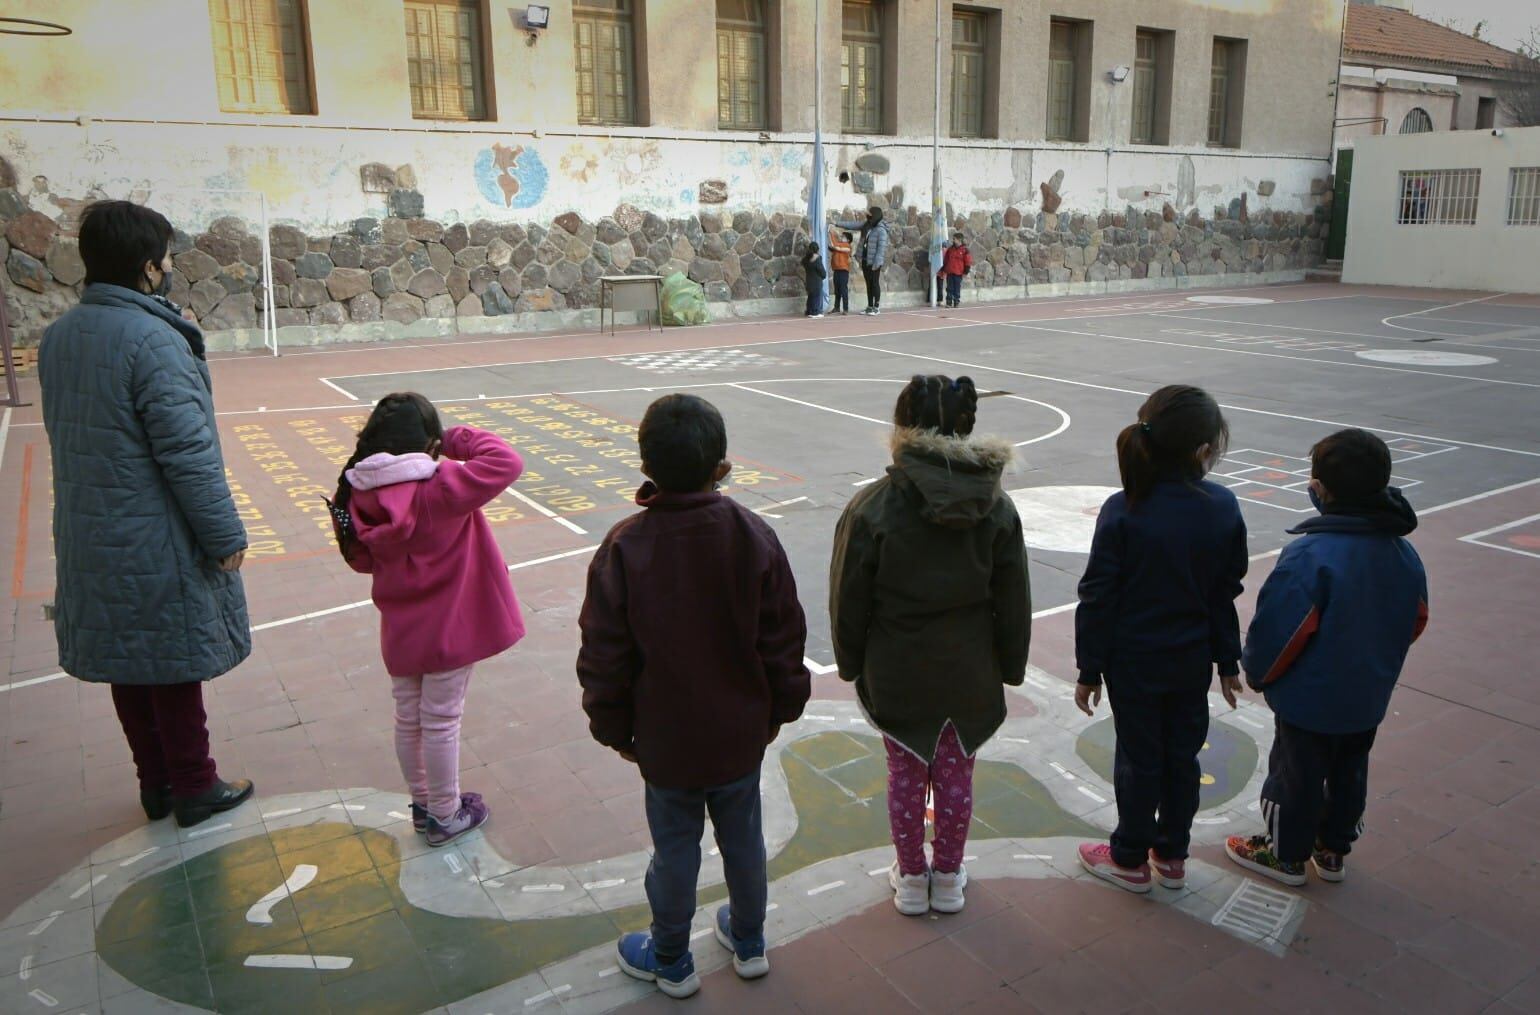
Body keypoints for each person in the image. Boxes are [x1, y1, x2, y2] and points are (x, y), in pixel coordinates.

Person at [578, 394, 810, 1000]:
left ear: (645, 465)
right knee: (743, 839)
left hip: (665, 738)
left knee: (675, 845)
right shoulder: (752, 534)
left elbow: (605, 652)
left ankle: (671, 956)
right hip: (739, 733)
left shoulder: (625, 547)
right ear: (722, 467)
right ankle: (750, 938)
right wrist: (780, 707)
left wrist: (613, 728)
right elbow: (784, 635)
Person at [38, 200, 254, 829]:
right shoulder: (153, 340)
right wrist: (224, 535)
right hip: (151, 531)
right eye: (165, 256)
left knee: (128, 662)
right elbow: (187, 453)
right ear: (150, 266)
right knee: (170, 660)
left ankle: (156, 785)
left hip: (89, 527)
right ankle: (195, 786)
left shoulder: (60, 335)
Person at [830, 375, 1031, 916]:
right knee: (956, 775)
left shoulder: (873, 506)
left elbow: (849, 595)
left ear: (902, 427)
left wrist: (850, 661)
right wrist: (1010, 666)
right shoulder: (998, 508)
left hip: (898, 669)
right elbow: (1013, 598)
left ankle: (912, 879)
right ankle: (948, 875)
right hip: (969, 669)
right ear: (968, 426)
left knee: (904, 774)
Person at [1226, 429, 1427, 886]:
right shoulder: (1403, 552)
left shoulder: (1310, 556)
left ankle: (1285, 854)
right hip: (1368, 694)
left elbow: (1281, 630)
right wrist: (1376, 657)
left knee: (1295, 776)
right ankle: (1333, 849)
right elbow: (1416, 617)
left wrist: (1257, 672)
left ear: (1321, 489)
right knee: (1350, 771)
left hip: (1309, 700)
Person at [1074, 385, 1248, 894]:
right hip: (1190, 658)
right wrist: (1227, 661)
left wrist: (1089, 668)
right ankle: (1171, 854)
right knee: (1182, 755)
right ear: (1203, 451)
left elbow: (1098, 596)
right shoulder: (1221, 506)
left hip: (1134, 661)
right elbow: (1224, 592)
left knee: (1139, 757)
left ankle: (1128, 857)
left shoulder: (1124, 508)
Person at [331, 393, 526, 847]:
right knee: (441, 720)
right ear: (429, 444)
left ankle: (423, 804)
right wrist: (453, 440)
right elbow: (506, 461)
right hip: (451, 627)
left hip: (401, 627)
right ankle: (445, 813)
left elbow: (361, 561)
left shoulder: (357, 492)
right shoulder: (441, 485)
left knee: (408, 718)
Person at [833, 207, 889, 315]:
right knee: (868, 284)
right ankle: (869, 306)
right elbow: (852, 225)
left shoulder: (881, 231)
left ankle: (876, 307)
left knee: (875, 283)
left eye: (870, 214)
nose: (868, 216)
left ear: (875, 215)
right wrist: (836, 223)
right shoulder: (867, 225)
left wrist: (876, 264)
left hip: (874, 262)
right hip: (865, 260)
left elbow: (881, 249)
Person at [942, 232, 973, 308]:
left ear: (959, 240)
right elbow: (946, 259)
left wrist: (966, 271)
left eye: (954, 239)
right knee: (949, 288)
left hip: (958, 273)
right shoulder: (950, 249)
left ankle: (956, 302)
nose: (953, 240)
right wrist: (944, 268)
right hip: (950, 272)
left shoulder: (965, 250)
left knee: (957, 288)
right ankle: (949, 302)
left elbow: (967, 261)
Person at [829, 231, 853, 314]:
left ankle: (845, 309)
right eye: (841, 236)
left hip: (843, 271)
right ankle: (836, 307)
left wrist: (831, 234)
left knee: (843, 290)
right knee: (837, 290)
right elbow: (832, 246)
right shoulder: (838, 244)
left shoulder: (848, 247)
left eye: (843, 237)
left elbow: (837, 247)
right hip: (836, 270)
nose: (841, 237)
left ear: (848, 240)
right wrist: (830, 235)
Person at [800, 241, 826, 319]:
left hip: (808, 280)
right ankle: (815, 312)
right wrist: (824, 275)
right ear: (817, 249)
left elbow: (803, 263)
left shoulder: (805, 259)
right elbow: (821, 271)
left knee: (810, 297)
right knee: (816, 297)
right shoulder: (818, 258)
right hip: (816, 281)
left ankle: (809, 311)